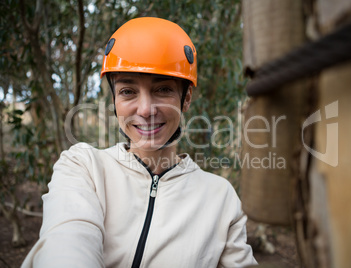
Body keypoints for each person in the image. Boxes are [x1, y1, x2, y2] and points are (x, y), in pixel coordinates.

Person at [22, 17, 257, 268]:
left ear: (186, 98)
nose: (145, 110)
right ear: (114, 100)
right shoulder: (84, 167)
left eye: (163, 89)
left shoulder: (220, 198)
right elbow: (65, 247)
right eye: (128, 91)